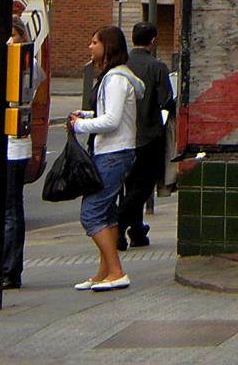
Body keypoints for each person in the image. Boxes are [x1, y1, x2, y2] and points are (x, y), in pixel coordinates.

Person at [69, 26, 143, 292]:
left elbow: (112, 121)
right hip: (113, 152)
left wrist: (79, 126)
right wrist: (87, 116)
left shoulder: (116, 80)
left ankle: (117, 271)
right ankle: (104, 272)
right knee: (107, 214)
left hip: (113, 153)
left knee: (91, 214)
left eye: (94, 42)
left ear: (107, 46)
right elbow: (111, 114)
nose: (90, 47)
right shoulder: (114, 78)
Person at [116, 22, 174, 250]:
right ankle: (119, 225)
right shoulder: (157, 67)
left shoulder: (122, 65)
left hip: (123, 134)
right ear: (153, 41)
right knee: (143, 185)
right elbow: (166, 101)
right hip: (148, 134)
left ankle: (137, 231)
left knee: (130, 185)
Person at [2, 18, 46, 290]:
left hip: (15, 145)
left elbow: (29, 86)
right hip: (5, 144)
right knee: (6, 208)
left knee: (11, 209)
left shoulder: (26, 63)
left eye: (13, 35)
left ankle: (10, 269)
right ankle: (6, 265)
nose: (9, 41)